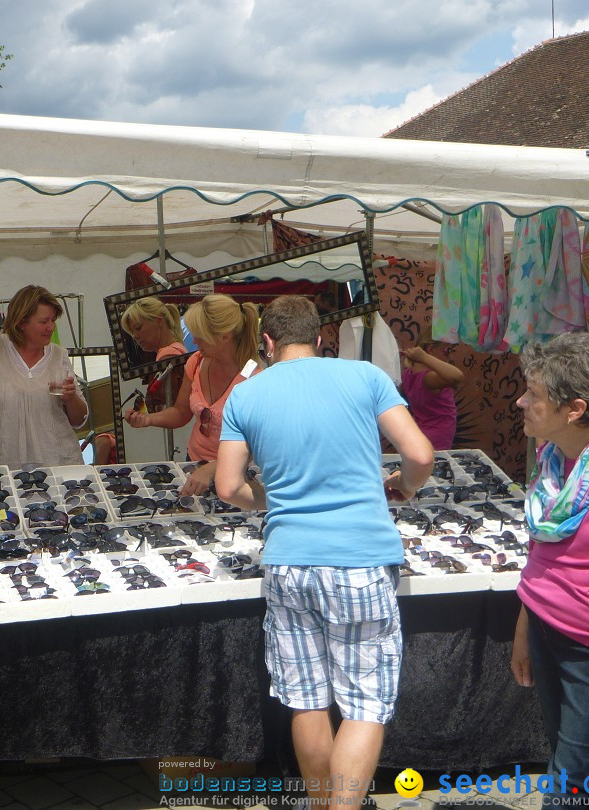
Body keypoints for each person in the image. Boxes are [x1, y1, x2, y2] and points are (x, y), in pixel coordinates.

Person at [214, 296, 433, 808]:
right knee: (364, 705)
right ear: (320, 339)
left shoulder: (245, 396)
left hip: (289, 562)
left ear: (266, 343)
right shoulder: (364, 377)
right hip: (359, 559)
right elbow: (421, 453)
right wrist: (403, 484)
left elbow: (227, 487)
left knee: (306, 701)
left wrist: (274, 496)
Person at [509, 332, 589, 809]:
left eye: (533, 394)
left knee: (571, 787)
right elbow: (544, 551)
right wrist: (525, 622)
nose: (519, 401)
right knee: (588, 778)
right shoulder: (554, 453)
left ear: (574, 409)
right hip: (549, 627)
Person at [124, 293, 262, 495]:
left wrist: (213, 468)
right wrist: (147, 420)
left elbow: (254, 444)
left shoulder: (254, 377)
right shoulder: (196, 361)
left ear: (224, 336)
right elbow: (181, 411)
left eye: (199, 335)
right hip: (195, 462)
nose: (194, 341)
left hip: (238, 473)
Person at [0, 285, 88, 468]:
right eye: (44, 321)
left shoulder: (59, 357)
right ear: (21, 322)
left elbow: (79, 421)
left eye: (53, 320)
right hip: (5, 470)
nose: (51, 327)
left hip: (58, 466)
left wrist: (72, 397)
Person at [400, 325, 464, 450]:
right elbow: (458, 376)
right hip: (436, 439)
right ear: (431, 349)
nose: (449, 357)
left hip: (422, 434)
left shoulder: (408, 374)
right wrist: (424, 357)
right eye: (447, 351)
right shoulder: (429, 379)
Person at [119, 296, 187, 412]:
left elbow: (167, 409)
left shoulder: (167, 355)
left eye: (138, 328)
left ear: (159, 321)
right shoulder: (177, 349)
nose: (135, 336)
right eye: (132, 332)